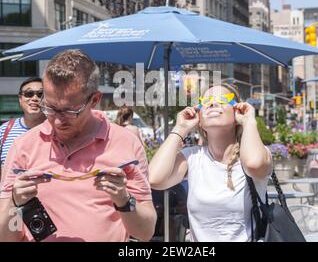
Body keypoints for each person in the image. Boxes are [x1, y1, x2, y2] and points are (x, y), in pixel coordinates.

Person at [0, 50, 156, 242]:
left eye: (68, 111)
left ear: (95, 100)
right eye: (49, 107)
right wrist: (15, 205)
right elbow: (6, 237)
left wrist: (124, 201)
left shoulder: (126, 144)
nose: (56, 121)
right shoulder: (23, 146)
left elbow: (145, 232)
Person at [149, 83, 272, 242]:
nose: (213, 103)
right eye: (205, 101)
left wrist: (248, 122)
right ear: (199, 119)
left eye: (223, 99)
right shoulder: (192, 157)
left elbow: (254, 165)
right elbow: (154, 179)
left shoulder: (255, 153)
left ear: (237, 112)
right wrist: (180, 129)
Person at [0, 77, 45, 180]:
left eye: (40, 94)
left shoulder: (57, 130)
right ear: (20, 99)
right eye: (29, 94)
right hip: (9, 194)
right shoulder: (4, 130)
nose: (34, 98)